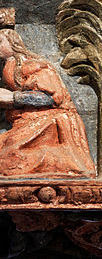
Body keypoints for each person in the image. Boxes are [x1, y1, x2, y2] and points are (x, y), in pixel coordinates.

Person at [0, 29, 96, 179]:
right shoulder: (9, 67)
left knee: (10, 154)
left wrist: (14, 98)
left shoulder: (33, 66)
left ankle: (60, 160)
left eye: (0, 42)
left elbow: (50, 98)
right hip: (27, 119)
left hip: (52, 119)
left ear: (14, 44)